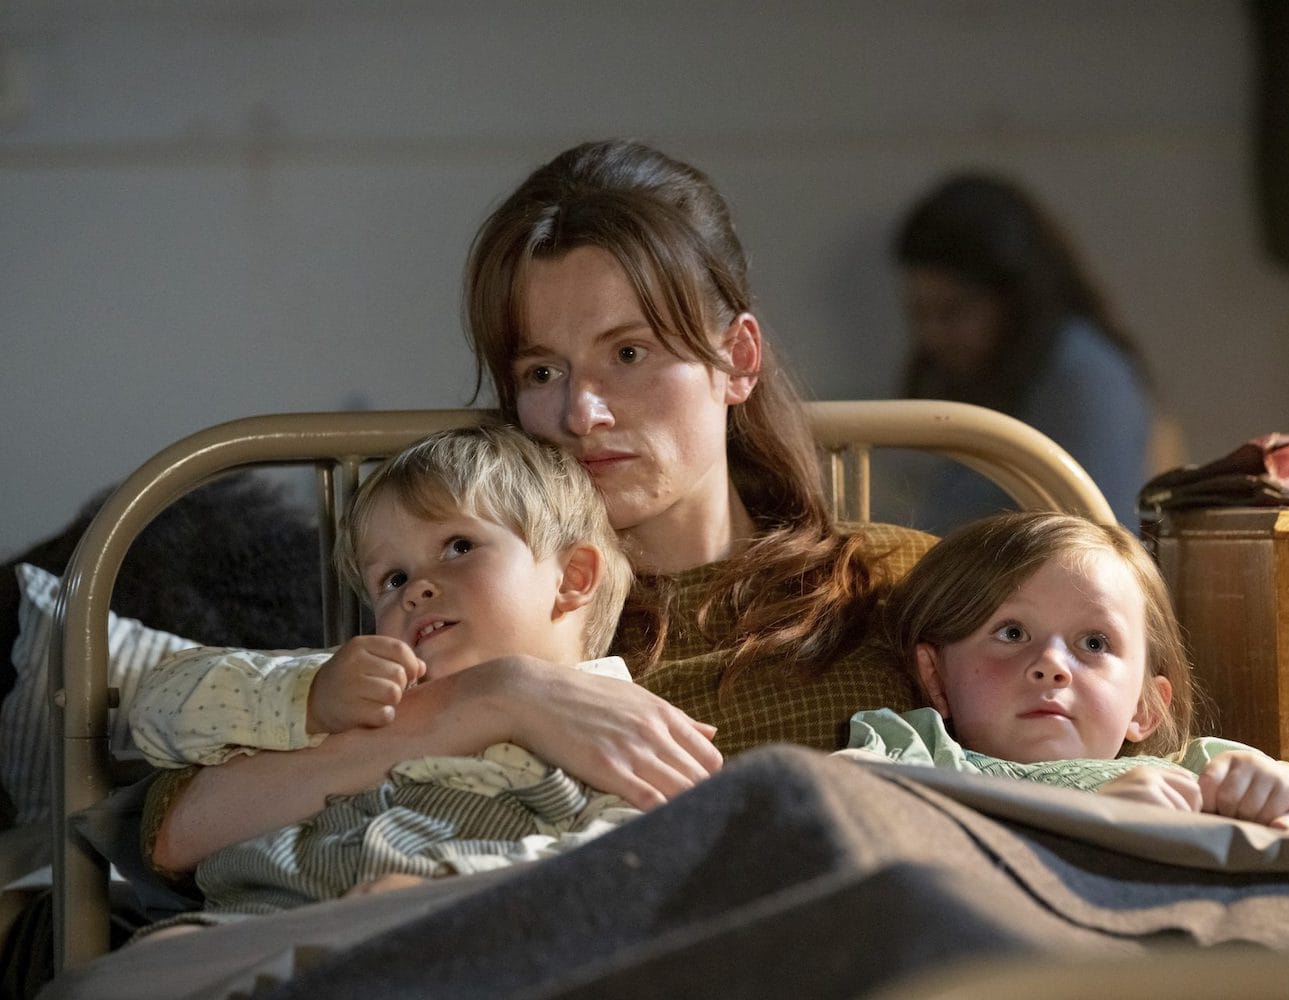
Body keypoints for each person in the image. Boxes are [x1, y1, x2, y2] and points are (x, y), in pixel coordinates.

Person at [143, 139, 936, 878]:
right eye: (542, 372)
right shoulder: (476, 605)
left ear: (738, 358)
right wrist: (497, 698)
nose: (580, 413)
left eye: (629, 354)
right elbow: (172, 830)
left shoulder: (904, 587)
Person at [130, 424, 642, 915]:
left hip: (446, 932)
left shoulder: (620, 727)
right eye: (393, 578)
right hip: (250, 922)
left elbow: (629, 862)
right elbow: (156, 708)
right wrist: (307, 699)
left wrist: (448, 887)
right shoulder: (357, 686)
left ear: (572, 578)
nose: (417, 588)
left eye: (459, 546)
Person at [845, 511, 1289, 855]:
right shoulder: (920, 755)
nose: (1052, 664)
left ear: (1144, 708)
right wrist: (1091, 825)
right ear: (936, 677)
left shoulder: (1196, 775)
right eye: (1010, 633)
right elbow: (844, 830)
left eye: (1094, 644)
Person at [893, 174, 1154, 530]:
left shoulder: (1084, 380)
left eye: (953, 311)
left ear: (1015, 300)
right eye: (919, 314)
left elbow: (1108, 540)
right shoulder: (993, 382)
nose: (933, 336)